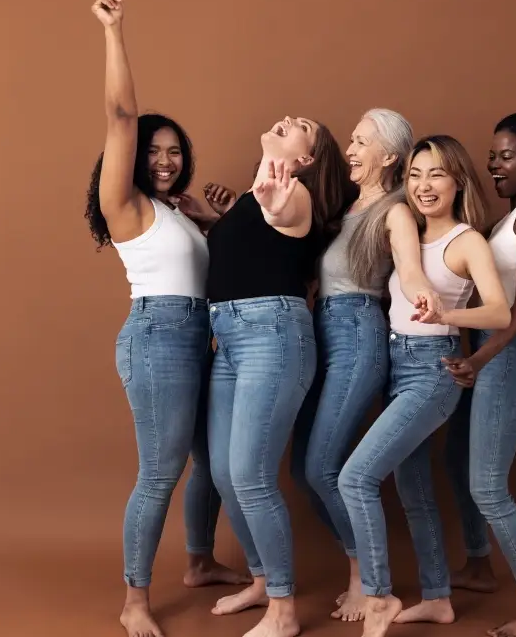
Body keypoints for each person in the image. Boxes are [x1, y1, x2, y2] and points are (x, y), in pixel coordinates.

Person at [85, 0, 247, 637]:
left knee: (212, 459)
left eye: (173, 150)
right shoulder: (124, 206)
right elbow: (122, 116)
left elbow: (229, 273)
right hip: (157, 336)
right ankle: (135, 600)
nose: (164, 158)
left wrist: (219, 220)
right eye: (152, 150)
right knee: (160, 471)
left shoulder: (181, 215)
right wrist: (112, 30)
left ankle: (202, 559)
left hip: (199, 334)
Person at [338, 135, 512, 637]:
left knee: (356, 478)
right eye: (414, 175)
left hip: (432, 370)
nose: (423, 185)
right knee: (412, 489)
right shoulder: (411, 233)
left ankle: (377, 597)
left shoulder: (467, 241)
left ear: (457, 179)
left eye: (436, 174)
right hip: (398, 365)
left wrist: (447, 312)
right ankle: (438, 598)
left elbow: (499, 311)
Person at [203, 112, 356, 637]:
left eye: (303, 127)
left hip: (273, 336)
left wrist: (272, 198)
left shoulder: (298, 196)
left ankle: (284, 611)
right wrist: (218, 215)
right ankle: (264, 579)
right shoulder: (255, 194)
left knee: (250, 474)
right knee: (226, 473)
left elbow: (284, 211)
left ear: (306, 160)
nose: (289, 118)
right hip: (229, 338)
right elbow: (252, 242)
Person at [289, 108, 442, 623]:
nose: (350, 149)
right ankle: (364, 571)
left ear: (391, 156)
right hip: (322, 334)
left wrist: (422, 293)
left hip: (357, 335)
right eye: (351, 140)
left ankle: (367, 579)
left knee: (323, 467)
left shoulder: (396, 210)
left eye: (361, 141)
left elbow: (409, 266)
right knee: (302, 469)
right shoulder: (345, 207)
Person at [440, 112, 516, 637]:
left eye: (507, 155)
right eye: (492, 156)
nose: (495, 164)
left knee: (487, 486)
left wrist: (480, 359)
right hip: (491, 350)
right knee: (456, 460)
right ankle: (477, 564)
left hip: (511, 352)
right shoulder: (505, 219)